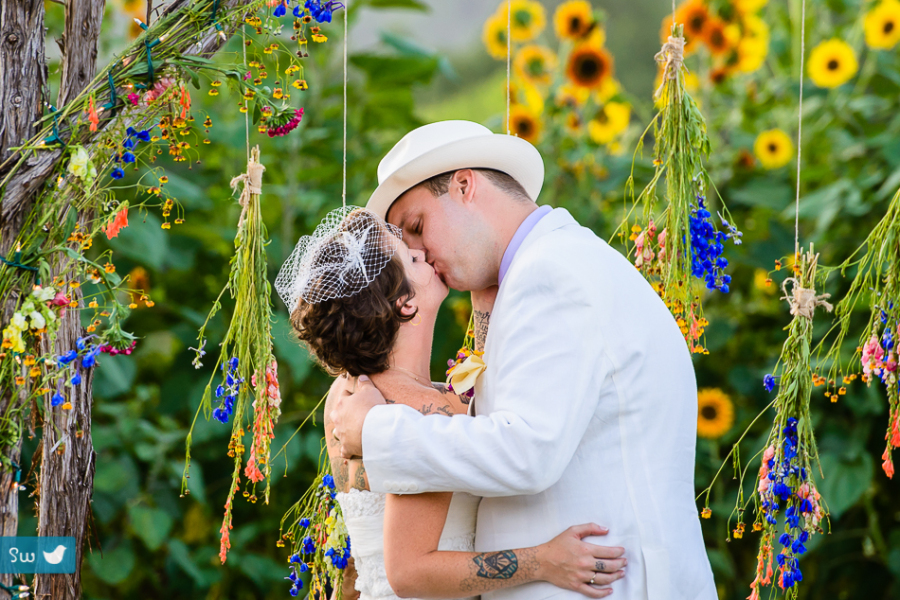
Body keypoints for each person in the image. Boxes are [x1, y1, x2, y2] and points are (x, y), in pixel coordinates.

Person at [329, 120, 718, 600]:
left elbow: (528, 451)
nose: (421, 255)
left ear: (464, 185)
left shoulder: (550, 274)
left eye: (417, 227)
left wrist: (376, 431)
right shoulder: (556, 265)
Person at [276, 206, 626, 600]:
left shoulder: (349, 394)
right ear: (405, 304)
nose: (422, 253)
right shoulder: (420, 411)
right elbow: (409, 572)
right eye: (411, 258)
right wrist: (544, 560)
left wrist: (483, 282)